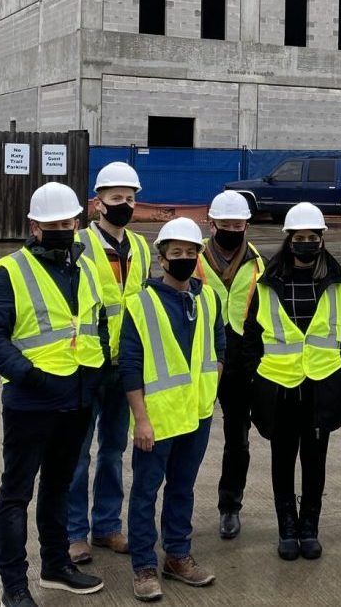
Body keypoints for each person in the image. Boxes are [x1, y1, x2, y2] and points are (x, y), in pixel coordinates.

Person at [0, 182, 108, 607]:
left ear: (77, 223)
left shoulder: (85, 268)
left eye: (68, 224)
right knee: (16, 494)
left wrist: (96, 372)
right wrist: (31, 377)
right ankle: (14, 584)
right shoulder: (10, 271)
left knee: (58, 486)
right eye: (53, 225)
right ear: (34, 227)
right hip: (31, 403)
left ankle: (56, 565)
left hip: (78, 398)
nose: (62, 231)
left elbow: (96, 325)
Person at [243, 203, 341, 560]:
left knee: (314, 460)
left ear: (321, 239)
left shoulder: (338, 282)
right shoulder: (268, 282)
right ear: (289, 239)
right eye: (299, 237)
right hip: (279, 386)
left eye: (312, 237)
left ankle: (309, 526)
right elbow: (252, 335)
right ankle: (287, 527)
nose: (306, 243)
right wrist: (256, 376)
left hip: (322, 385)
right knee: (282, 460)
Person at [121, 218, 224, 602]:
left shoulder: (208, 298)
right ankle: (144, 566)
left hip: (197, 415)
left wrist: (209, 391)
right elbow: (130, 365)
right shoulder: (141, 304)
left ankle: (177, 556)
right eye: (176, 252)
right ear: (162, 259)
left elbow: (219, 347)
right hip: (158, 419)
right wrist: (141, 419)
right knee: (146, 492)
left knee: (183, 488)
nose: (184, 258)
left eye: (190, 252)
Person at [68, 162, 151, 564]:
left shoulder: (142, 247)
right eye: (116, 198)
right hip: (87, 364)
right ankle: (74, 533)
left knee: (114, 450)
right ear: (97, 203)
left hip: (126, 367)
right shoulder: (79, 244)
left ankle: (106, 526)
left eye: (130, 198)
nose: (124, 204)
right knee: (77, 453)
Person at [196, 190, 264, 540]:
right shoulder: (192, 258)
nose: (233, 230)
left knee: (238, 438)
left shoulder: (258, 264)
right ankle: (178, 508)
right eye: (226, 224)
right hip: (200, 357)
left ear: (246, 226)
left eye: (238, 225)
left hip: (241, 359)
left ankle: (230, 507)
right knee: (188, 437)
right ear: (212, 224)